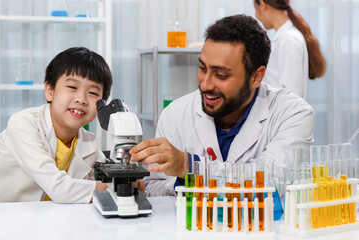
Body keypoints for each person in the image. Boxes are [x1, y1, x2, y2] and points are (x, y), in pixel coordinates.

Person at [129, 15, 315, 200]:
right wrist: (183, 181)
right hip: (191, 228)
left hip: (260, 228)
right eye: (203, 68)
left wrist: (189, 167)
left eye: (220, 75)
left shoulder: (293, 114)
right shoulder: (176, 113)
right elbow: (154, 188)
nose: (205, 84)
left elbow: (271, 182)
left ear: (256, 77)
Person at [0, 47, 111, 203]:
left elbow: (109, 177)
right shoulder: (23, 123)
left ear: (102, 104)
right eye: (72, 87)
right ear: (50, 90)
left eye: (93, 93)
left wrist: (126, 183)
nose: (81, 99)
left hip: (36, 217)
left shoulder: (90, 142)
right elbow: (60, 189)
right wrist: (118, 188)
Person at [254, 0, 326, 99]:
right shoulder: (284, 38)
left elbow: (293, 95)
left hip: (285, 113)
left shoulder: (289, 40)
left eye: (255, 9)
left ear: (262, 4)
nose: (256, 16)